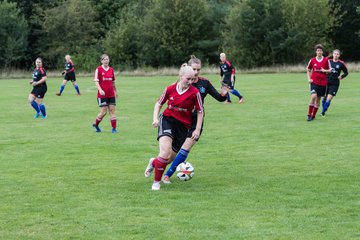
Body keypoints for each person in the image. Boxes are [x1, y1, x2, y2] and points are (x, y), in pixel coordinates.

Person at [162, 55, 228, 184]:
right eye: (194, 69)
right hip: (180, 121)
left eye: (199, 69)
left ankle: (167, 176)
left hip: (195, 122)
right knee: (170, 156)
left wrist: (224, 94)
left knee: (185, 149)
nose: (196, 72)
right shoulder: (180, 83)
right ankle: (156, 163)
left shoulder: (204, 83)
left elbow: (219, 98)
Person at [144, 64, 204, 190]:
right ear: (180, 76)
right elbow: (158, 104)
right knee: (165, 152)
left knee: (169, 158)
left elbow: (200, 111)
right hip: (167, 120)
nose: (190, 82)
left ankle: (154, 162)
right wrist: (155, 119)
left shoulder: (195, 93)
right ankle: (156, 183)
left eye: (192, 79)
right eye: (188, 79)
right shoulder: (170, 89)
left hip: (183, 126)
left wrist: (197, 129)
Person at [92, 54, 118, 133]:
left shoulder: (111, 70)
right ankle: (96, 124)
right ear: (101, 61)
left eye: (107, 59)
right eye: (104, 59)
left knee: (112, 111)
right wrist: (100, 90)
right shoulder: (98, 69)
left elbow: (113, 82)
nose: (106, 61)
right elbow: (96, 81)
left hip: (111, 94)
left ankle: (114, 129)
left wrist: (115, 92)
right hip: (102, 95)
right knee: (103, 112)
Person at [306, 44, 331, 121]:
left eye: (320, 51)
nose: (319, 52)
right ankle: (309, 114)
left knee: (318, 100)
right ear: (316, 52)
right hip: (314, 82)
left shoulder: (326, 60)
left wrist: (325, 70)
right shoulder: (312, 60)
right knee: (313, 96)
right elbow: (308, 69)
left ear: (322, 52)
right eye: (318, 51)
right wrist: (309, 78)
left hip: (323, 83)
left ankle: (313, 115)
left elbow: (330, 70)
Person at [321, 49, 348, 116]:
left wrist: (341, 76)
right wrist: (324, 71)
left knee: (329, 98)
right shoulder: (328, 61)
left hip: (335, 83)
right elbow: (323, 69)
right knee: (324, 98)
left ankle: (323, 112)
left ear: (339, 55)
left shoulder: (341, 63)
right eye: (335, 54)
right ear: (333, 54)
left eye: (337, 54)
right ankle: (324, 109)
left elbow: (346, 72)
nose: (336, 55)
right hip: (326, 82)